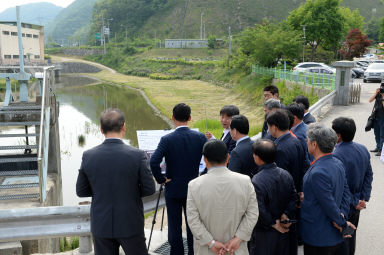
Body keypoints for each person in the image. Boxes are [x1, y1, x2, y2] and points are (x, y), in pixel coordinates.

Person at [76, 108, 156, 255]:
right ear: (124, 127)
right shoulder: (137, 155)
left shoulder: (88, 155)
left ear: (101, 129)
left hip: (101, 224)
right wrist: (131, 191)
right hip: (130, 222)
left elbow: (81, 191)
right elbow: (149, 189)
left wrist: (99, 190)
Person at [150, 103, 207, 255]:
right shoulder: (200, 137)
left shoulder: (167, 139)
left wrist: (161, 179)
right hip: (194, 188)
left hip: (173, 188)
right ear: (189, 118)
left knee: (174, 225)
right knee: (192, 224)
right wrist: (205, 175)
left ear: (173, 118)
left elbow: (153, 161)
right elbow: (212, 157)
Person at [186, 140, 259, 255]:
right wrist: (238, 238)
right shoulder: (244, 181)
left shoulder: (194, 185)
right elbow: (253, 214)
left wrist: (211, 243)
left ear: (205, 160)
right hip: (236, 249)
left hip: (207, 250)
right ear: (228, 158)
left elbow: (192, 219)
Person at [300, 124, 354, 255]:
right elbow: (346, 192)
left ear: (314, 144)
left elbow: (328, 203)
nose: (306, 142)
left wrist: (342, 223)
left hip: (320, 236)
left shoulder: (318, 172)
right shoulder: (337, 163)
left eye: (308, 140)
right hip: (333, 234)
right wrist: (343, 214)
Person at [266, 109, 306, 255]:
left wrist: (283, 211)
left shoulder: (279, 148)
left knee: (282, 244)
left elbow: (280, 181)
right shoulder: (297, 141)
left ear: (274, 127)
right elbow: (303, 168)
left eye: (269, 127)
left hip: (285, 203)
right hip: (295, 197)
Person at [249, 139, 298, 255]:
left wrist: (273, 223)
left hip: (265, 234)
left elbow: (259, 208)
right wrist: (286, 214)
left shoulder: (256, 180)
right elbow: (294, 197)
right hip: (285, 230)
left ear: (257, 157)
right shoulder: (285, 174)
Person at [332, 117, 373, 255]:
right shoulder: (362, 149)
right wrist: (363, 198)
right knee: (351, 234)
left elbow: (342, 185)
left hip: (345, 204)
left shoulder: (336, 155)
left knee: (342, 237)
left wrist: (354, 202)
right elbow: (369, 174)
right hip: (358, 203)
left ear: (338, 135)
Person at [368, 84, 384, 156]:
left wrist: (383, 97)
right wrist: (375, 93)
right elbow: (370, 100)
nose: (382, 89)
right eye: (381, 87)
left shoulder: (383, 96)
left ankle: (381, 150)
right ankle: (378, 147)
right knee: (376, 133)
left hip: (382, 118)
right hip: (376, 116)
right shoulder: (378, 94)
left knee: (382, 135)